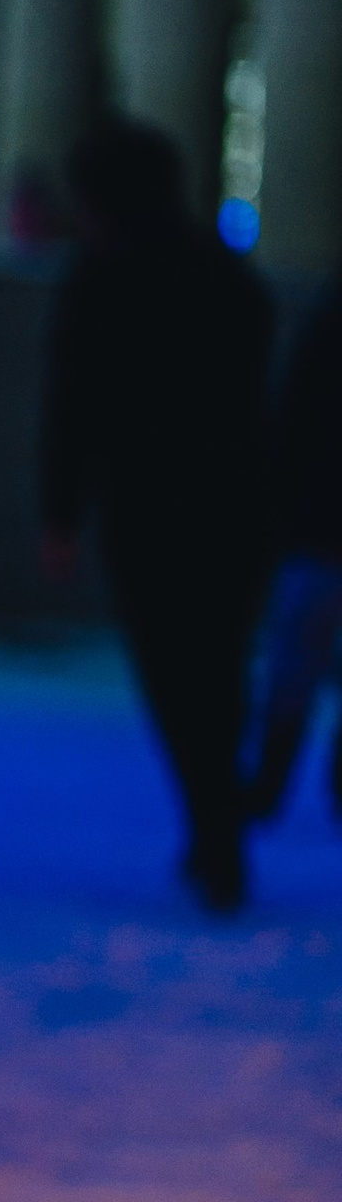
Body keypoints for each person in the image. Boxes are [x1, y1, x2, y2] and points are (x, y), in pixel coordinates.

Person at [42, 115, 273, 913]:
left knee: (174, 672)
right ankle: (221, 818)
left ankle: (214, 823)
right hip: (234, 503)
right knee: (220, 665)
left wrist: (61, 513)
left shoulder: (98, 280)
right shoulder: (228, 276)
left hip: (145, 507)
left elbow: (72, 406)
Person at [242, 274, 342, 825]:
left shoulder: (323, 328)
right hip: (315, 526)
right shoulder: (324, 329)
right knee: (295, 657)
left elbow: (291, 421)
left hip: (314, 526)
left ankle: (270, 781)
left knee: (293, 661)